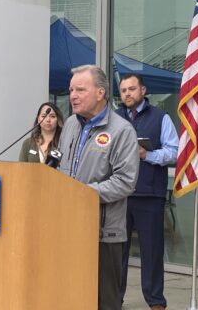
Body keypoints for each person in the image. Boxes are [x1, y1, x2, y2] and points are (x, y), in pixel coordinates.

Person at [57, 65, 139, 310]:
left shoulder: (122, 130)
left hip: (103, 234)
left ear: (101, 93)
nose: (73, 95)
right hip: (68, 227)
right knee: (70, 295)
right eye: (71, 89)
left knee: (104, 301)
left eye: (80, 89)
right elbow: (63, 165)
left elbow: (125, 181)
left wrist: (82, 194)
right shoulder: (71, 124)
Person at [116, 74, 179, 310]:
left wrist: (148, 155)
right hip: (119, 195)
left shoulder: (160, 117)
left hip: (149, 194)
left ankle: (155, 302)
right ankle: (114, 299)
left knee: (151, 252)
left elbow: (174, 151)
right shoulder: (115, 118)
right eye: (123, 90)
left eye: (132, 89)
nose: (127, 94)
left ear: (143, 90)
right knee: (116, 252)